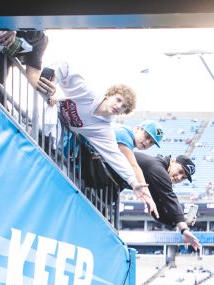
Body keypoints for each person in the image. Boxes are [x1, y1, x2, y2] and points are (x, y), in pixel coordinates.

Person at [37, 61, 157, 216]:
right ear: (109, 95)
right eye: (118, 99)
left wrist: (135, 185)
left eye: (124, 107)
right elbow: (64, 66)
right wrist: (51, 82)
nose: (119, 106)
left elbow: (116, 157)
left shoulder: (103, 130)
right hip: (45, 112)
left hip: (56, 131)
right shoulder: (87, 93)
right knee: (49, 113)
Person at [134, 151, 202, 248]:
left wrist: (183, 219)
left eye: (183, 178)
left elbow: (158, 212)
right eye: (180, 171)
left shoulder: (156, 179)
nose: (179, 178)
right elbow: (169, 197)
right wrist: (184, 229)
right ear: (172, 161)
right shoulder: (158, 167)